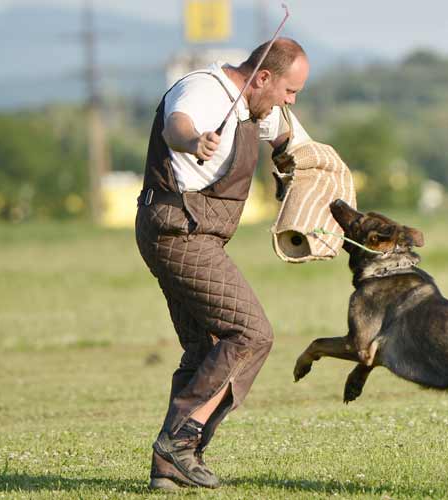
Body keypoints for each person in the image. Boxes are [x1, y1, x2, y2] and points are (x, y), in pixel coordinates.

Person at [135, 38, 310, 491]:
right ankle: (178, 441)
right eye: (289, 92)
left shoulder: (259, 108)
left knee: (205, 348)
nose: (290, 102)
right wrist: (196, 140)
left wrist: (306, 172)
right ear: (264, 78)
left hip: (193, 233)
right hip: (180, 231)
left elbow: (292, 141)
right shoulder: (203, 90)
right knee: (250, 335)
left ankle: (171, 468)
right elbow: (177, 125)